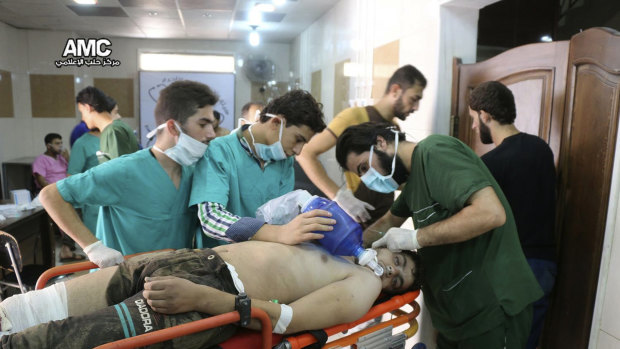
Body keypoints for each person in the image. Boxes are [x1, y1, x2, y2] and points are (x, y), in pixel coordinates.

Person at [335, 122, 543, 349]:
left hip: (492, 309)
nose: (367, 178)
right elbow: (385, 224)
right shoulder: (413, 184)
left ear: (380, 143)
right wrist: (342, 252)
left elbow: (490, 213)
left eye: (365, 167)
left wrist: (416, 238)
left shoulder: (435, 152)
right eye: (361, 174)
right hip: (457, 318)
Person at [0, 241, 421, 348]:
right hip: (194, 260)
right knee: (30, 309)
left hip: (211, 291)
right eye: (399, 260)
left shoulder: (364, 285)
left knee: (60, 338)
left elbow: (287, 318)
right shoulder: (342, 247)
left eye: (399, 279)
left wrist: (204, 301)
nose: (392, 271)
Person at [39, 80, 218, 268]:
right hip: (125, 285)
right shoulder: (127, 171)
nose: (211, 134)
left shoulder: (193, 173)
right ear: (173, 127)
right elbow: (51, 195)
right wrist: (93, 247)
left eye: (212, 125)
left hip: (170, 281)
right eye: (203, 124)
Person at [468, 81, 557, 349]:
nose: (474, 127)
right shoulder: (542, 148)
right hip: (545, 266)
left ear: (485, 115)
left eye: (474, 119)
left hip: (511, 268)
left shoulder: (490, 164)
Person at [191, 90, 335, 246]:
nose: (298, 151)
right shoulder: (220, 151)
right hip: (223, 260)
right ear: (276, 123)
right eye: (297, 139)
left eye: (303, 144)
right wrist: (276, 233)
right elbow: (211, 218)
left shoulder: (284, 162)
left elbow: (281, 217)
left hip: (265, 259)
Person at [297, 65, 426, 225]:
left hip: (382, 219)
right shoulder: (354, 116)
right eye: (414, 99)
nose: (416, 107)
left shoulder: (394, 129)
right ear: (396, 90)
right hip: (357, 218)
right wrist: (339, 196)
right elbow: (305, 153)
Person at [32, 133, 85, 262]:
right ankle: (66, 249)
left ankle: (69, 246)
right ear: (48, 146)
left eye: (61, 143)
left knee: (80, 206)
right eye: (57, 143)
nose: (60, 146)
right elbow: (41, 181)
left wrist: (69, 160)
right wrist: (57, 192)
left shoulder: (62, 158)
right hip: (53, 193)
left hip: (66, 191)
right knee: (70, 212)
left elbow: (71, 172)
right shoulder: (41, 160)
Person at [75, 86, 139, 164]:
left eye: (82, 112)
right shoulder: (111, 130)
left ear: (88, 108)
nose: (83, 119)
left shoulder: (112, 131)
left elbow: (118, 170)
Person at [67, 127, 101, 235]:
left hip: (119, 204)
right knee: (99, 245)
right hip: (95, 204)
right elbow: (72, 176)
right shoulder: (83, 143)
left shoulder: (115, 139)